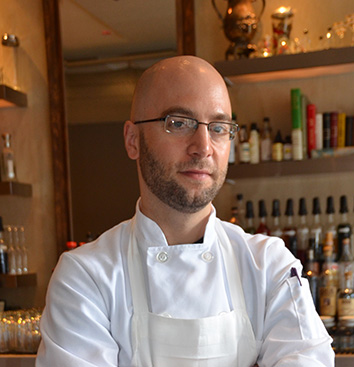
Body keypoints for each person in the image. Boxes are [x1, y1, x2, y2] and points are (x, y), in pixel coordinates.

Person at [36, 56, 334, 367]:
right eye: (178, 123)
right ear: (132, 139)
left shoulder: (269, 265)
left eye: (218, 127)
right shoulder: (86, 277)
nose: (203, 146)